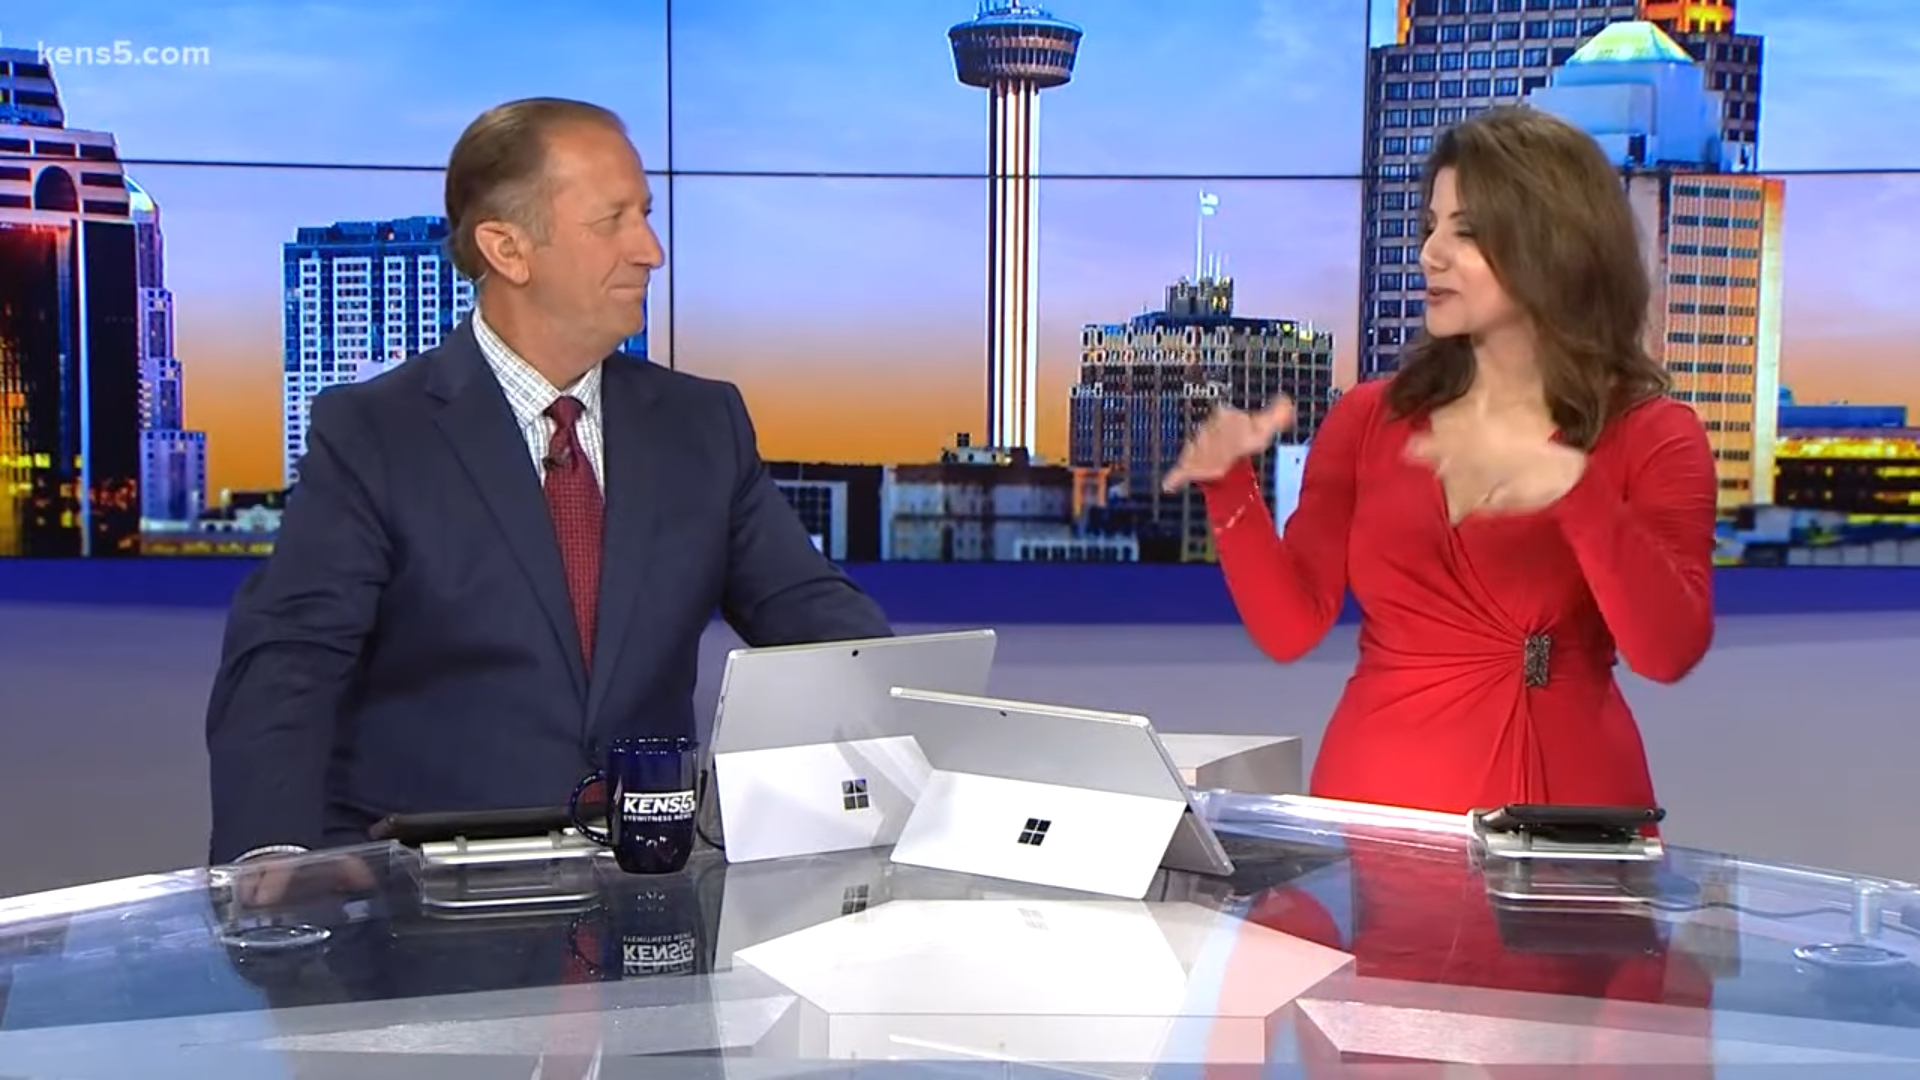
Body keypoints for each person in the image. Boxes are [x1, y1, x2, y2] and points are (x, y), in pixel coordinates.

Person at [205, 97, 894, 886]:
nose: (651, 252)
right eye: (612, 221)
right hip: (427, 898)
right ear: (508, 249)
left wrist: (928, 731)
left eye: (646, 215)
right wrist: (273, 854)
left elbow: (818, 620)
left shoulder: (701, 425)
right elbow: (289, 658)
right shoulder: (375, 432)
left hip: (641, 891)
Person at [1162, 105, 1716, 813]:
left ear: (1557, 247)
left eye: (1467, 232)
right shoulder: (1369, 418)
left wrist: (1578, 493)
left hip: (1567, 815)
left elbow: (1667, 651)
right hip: (1375, 809)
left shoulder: (1653, 434)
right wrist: (1227, 486)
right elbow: (1290, 626)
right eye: (1431, 226)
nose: (1430, 253)